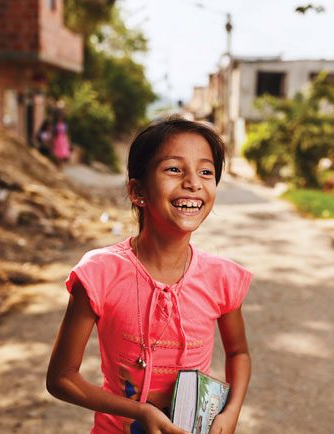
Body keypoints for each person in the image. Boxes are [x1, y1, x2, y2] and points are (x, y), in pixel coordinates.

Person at [46, 116, 252, 434]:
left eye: (206, 171)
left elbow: (238, 353)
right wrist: (138, 412)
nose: (193, 183)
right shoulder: (100, 274)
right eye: (174, 169)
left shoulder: (221, 278)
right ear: (137, 191)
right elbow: (61, 378)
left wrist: (231, 411)